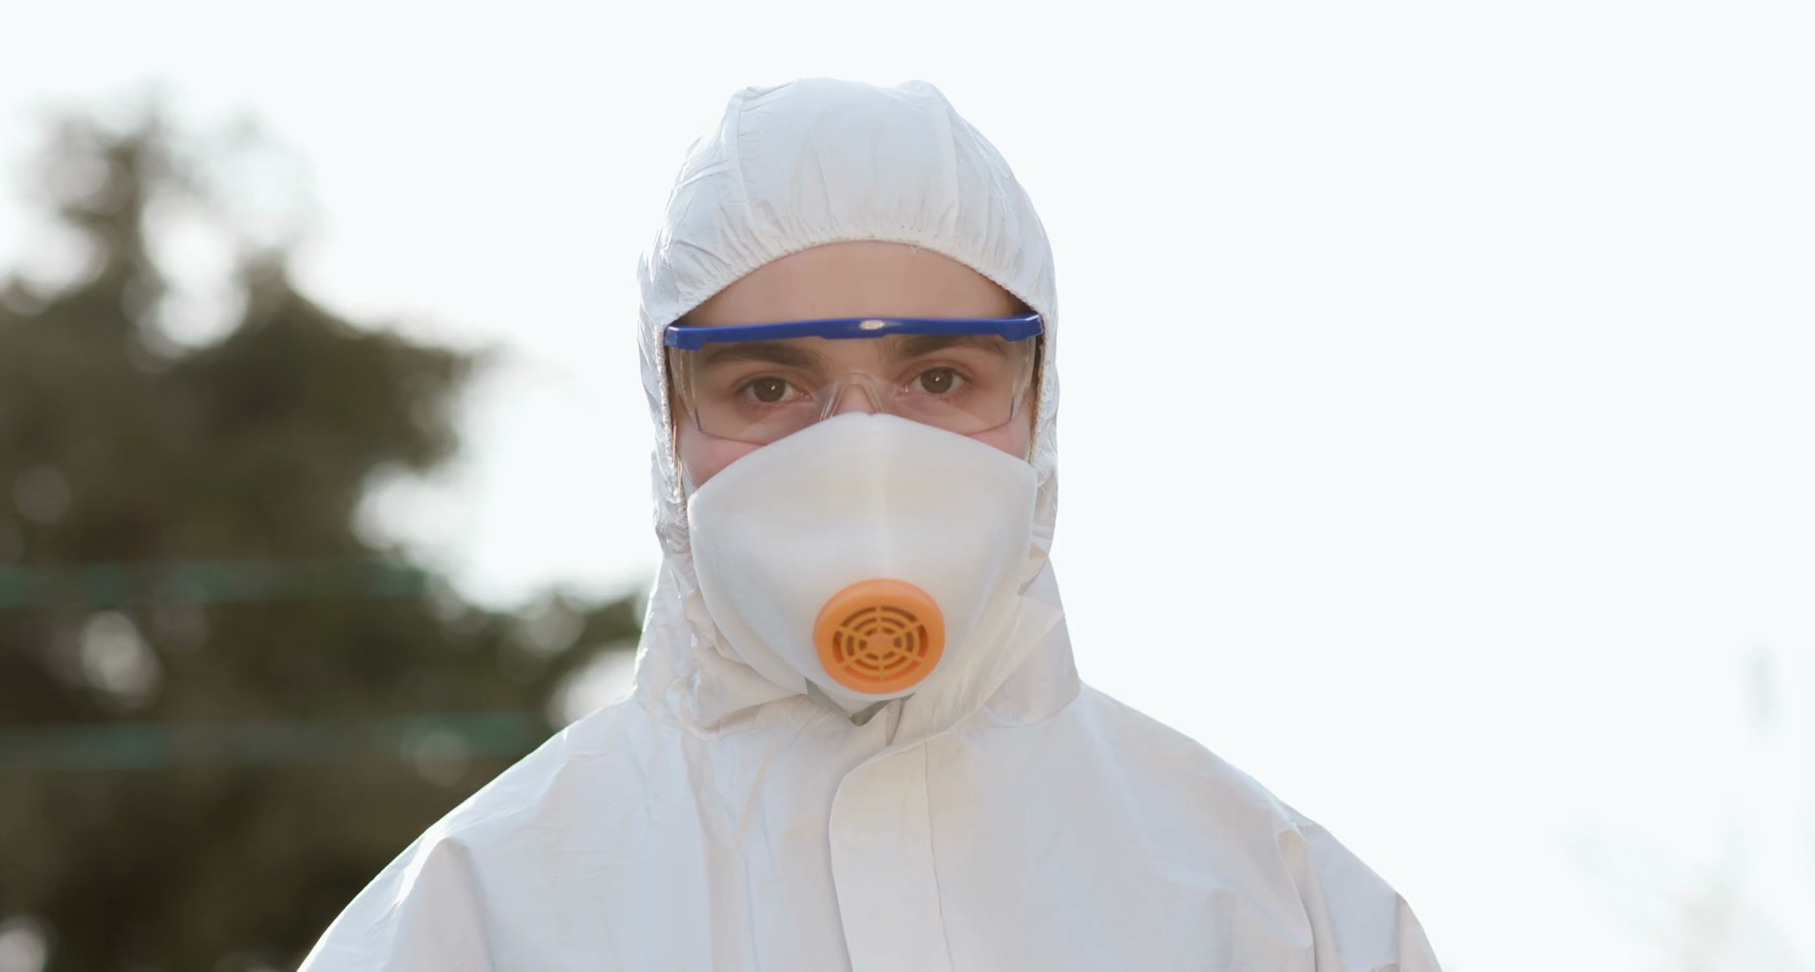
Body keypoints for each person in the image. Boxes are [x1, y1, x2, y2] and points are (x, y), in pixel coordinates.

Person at [299, 78, 1440, 971]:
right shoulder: (476, 917)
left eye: (939, 378)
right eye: (768, 387)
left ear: (1039, 407)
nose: (863, 455)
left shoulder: (1282, 914)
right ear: (670, 426)